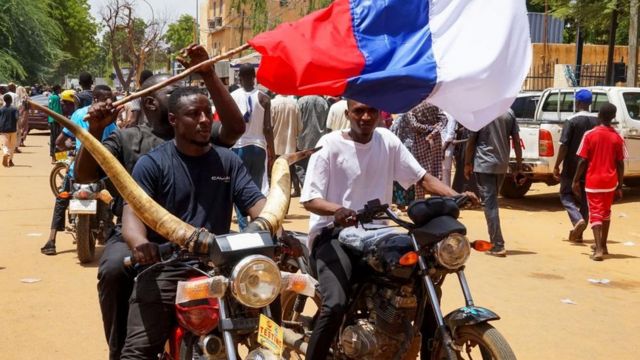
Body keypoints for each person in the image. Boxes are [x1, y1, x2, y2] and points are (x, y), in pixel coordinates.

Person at [76, 44, 246, 360]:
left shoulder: (200, 136)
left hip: (201, 242)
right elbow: (85, 176)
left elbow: (236, 128)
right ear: (154, 103)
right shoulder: (127, 138)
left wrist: (208, 74)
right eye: (174, 90)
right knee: (114, 269)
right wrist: (95, 132)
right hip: (139, 238)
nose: (183, 91)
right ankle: (120, 348)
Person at [300, 99, 477, 360]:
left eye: (371, 111)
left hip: (379, 234)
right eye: (359, 111)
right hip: (333, 234)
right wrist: (337, 211)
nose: (365, 116)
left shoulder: (387, 140)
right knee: (335, 304)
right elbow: (309, 199)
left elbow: (423, 179)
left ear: (380, 114)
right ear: (348, 113)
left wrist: (456, 195)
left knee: (425, 287)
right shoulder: (329, 145)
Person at [119, 87, 265, 359]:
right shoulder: (151, 164)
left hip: (221, 267)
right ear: (173, 120)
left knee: (267, 324)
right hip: (167, 266)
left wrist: (269, 223)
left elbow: (256, 204)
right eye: (193, 114)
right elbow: (133, 214)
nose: (204, 120)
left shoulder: (228, 162)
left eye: (207, 113)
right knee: (138, 352)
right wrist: (140, 244)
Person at [40, 87, 115, 256]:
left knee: (62, 197)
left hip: (78, 168)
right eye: (107, 99)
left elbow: (61, 141)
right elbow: (114, 141)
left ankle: (51, 240)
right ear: (95, 99)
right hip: (100, 168)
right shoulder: (108, 118)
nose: (110, 103)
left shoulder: (78, 115)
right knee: (112, 197)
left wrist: (73, 147)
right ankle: (109, 231)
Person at [464, 110, 522, 256]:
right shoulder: (509, 112)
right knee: (492, 203)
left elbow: (472, 140)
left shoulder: (481, 112)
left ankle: (497, 244)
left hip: (484, 164)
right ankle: (496, 242)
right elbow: (516, 139)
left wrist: (467, 163)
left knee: (490, 205)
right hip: (501, 165)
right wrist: (519, 165)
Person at [573, 103, 626, 261]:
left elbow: (583, 160)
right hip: (610, 181)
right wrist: (620, 184)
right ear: (613, 117)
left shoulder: (590, 135)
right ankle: (603, 245)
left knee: (595, 214)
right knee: (606, 213)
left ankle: (599, 251)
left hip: (594, 180)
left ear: (599, 115)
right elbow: (620, 163)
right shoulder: (617, 137)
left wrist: (575, 180)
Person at [231, 63, 275, 229]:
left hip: (238, 147)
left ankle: (243, 226)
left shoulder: (232, 96)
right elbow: (268, 128)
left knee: (239, 188)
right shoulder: (264, 98)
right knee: (256, 190)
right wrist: (272, 150)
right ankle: (256, 226)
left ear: (239, 78)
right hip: (258, 148)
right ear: (254, 77)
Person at [553, 89, 598, 243]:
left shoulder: (571, 120)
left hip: (572, 165)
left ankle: (577, 219)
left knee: (565, 194)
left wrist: (557, 164)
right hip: (590, 166)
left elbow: (564, 145)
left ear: (577, 102)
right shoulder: (597, 121)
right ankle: (579, 234)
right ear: (590, 103)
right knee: (586, 199)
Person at [271, 94, 302, 195]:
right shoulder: (294, 104)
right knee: (291, 168)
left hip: (276, 143)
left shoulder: (273, 104)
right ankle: (296, 189)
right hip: (290, 143)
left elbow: (269, 125)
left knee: (276, 168)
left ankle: (277, 191)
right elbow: (300, 127)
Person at [297, 95, 329, 183]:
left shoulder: (301, 101)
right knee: (317, 167)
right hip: (319, 140)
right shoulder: (323, 102)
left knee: (302, 167)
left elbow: (297, 120)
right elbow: (326, 122)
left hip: (303, 140)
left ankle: (305, 187)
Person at [0, 94, 19, 167]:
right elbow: (17, 117)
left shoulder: (1, 109)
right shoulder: (15, 109)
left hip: (4, 129)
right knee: (12, 145)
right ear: (11, 100)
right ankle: (10, 160)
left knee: (5, 145)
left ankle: (6, 153)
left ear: (4, 100)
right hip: (13, 129)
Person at [47, 85, 63, 163]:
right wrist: (61, 120)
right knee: (58, 139)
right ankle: (57, 157)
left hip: (51, 120)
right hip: (56, 120)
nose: (60, 90)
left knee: (53, 138)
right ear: (57, 89)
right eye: (60, 89)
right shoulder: (56, 98)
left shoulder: (51, 97)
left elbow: (50, 108)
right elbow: (57, 111)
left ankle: (53, 156)